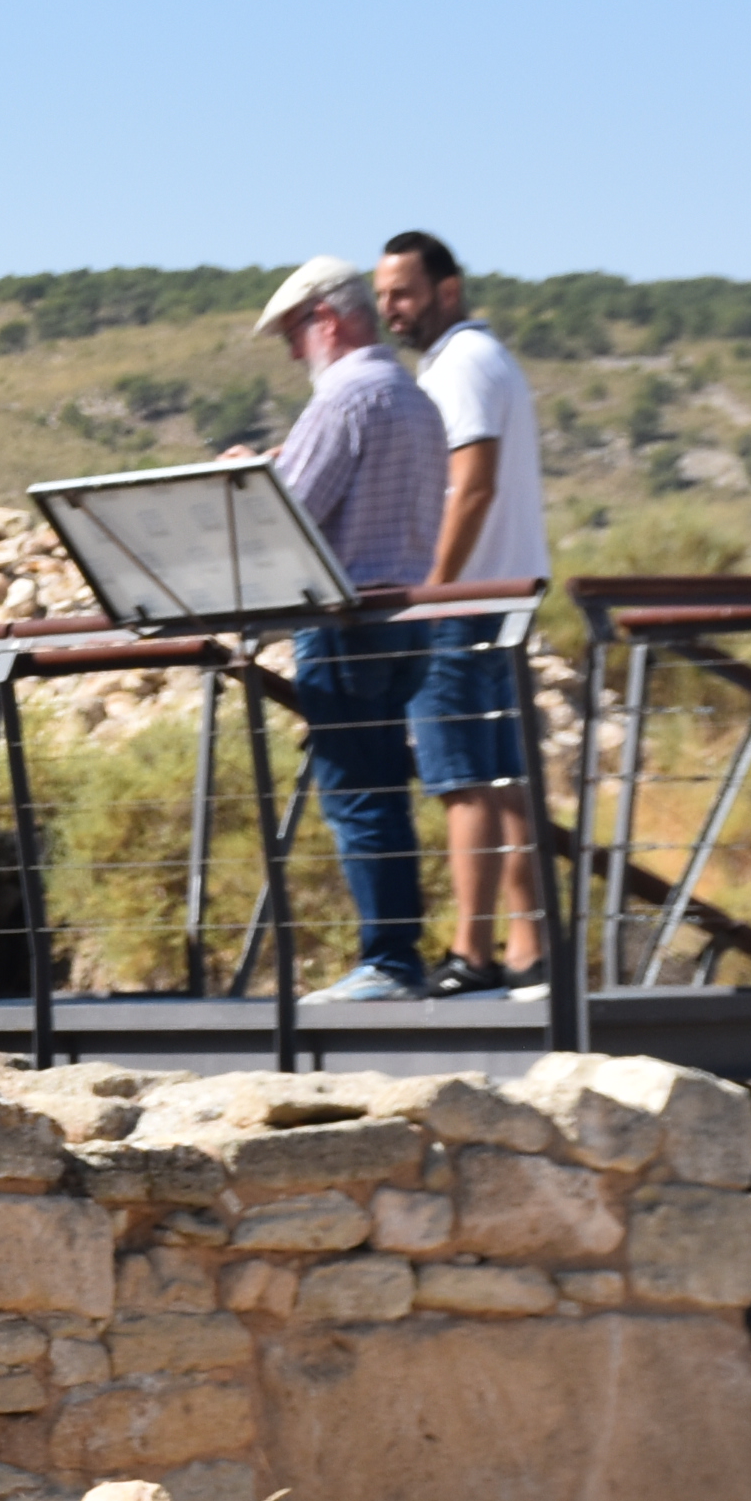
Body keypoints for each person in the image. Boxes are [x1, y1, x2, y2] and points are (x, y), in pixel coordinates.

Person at [253, 257, 465, 1003]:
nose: (290, 350)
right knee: (383, 785)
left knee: (356, 789)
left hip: (345, 620)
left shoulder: (343, 399)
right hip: (409, 616)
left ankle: (390, 961)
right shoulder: (413, 397)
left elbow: (290, 519)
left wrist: (247, 484)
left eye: (291, 331)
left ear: (326, 320)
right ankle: (398, 954)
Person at [377, 230, 552, 995]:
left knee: (460, 781)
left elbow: (471, 485)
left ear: (447, 290)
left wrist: (434, 592)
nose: (392, 311)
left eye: (404, 294)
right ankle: (528, 947)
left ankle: (469, 955)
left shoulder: (463, 365)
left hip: (466, 602)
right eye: (382, 296)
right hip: (503, 598)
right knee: (506, 778)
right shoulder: (486, 360)